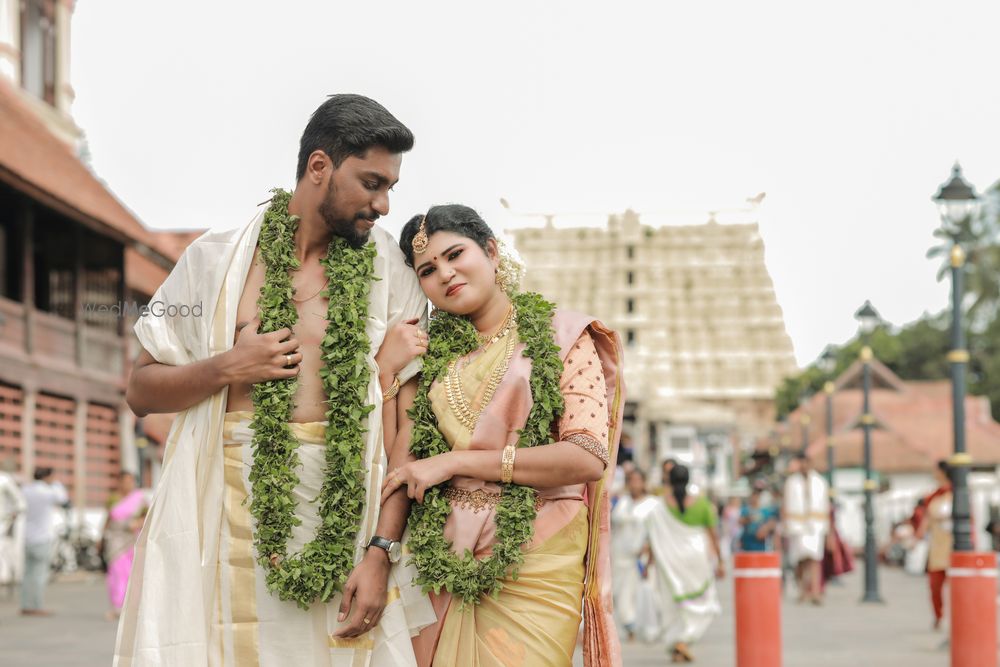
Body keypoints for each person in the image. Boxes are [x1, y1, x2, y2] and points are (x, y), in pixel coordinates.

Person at [115, 95, 435, 666]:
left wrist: (381, 552)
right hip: (229, 516)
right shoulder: (213, 263)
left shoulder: (389, 270)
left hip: (349, 517)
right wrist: (227, 367)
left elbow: (407, 430)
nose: (384, 204)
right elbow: (141, 391)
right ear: (319, 167)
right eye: (370, 183)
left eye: (390, 187)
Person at [384, 205, 625, 666]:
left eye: (455, 254)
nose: (446, 274)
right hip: (440, 554)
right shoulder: (429, 358)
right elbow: (397, 462)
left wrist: (454, 462)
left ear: (492, 251)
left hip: (537, 557)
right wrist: (387, 372)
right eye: (428, 270)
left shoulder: (562, 336)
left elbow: (587, 456)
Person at [643, 463, 722, 663]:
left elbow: (654, 539)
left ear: (668, 481)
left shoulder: (658, 507)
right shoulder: (702, 504)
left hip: (669, 561)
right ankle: (684, 641)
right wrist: (720, 561)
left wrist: (649, 563)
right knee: (704, 601)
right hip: (696, 559)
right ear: (688, 480)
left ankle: (678, 642)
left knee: (673, 602)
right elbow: (713, 535)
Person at [611, 468, 659, 642]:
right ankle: (629, 624)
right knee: (620, 593)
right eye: (631, 480)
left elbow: (657, 531)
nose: (634, 484)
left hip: (643, 557)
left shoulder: (653, 504)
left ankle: (648, 627)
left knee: (646, 592)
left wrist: (649, 548)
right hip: (620, 556)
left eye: (638, 480)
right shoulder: (622, 502)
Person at [20, 467, 68, 616]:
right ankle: (37, 606)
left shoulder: (26, 490)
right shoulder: (48, 492)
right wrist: (57, 484)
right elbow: (63, 499)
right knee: (40, 574)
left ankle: (26, 605)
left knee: (28, 574)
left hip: (27, 537)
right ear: (47, 477)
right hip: (42, 538)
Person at [783, 453, 829, 605]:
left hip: (815, 525)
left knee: (815, 559)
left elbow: (825, 505)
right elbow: (785, 505)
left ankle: (815, 592)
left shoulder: (820, 482)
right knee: (800, 559)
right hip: (797, 526)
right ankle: (802, 590)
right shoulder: (791, 482)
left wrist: (828, 529)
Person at [101, 472, 148, 620]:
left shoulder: (140, 498)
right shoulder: (113, 498)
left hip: (132, 538)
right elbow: (107, 518)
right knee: (116, 572)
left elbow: (147, 516)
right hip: (115, 538)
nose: (127, 484)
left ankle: (132, 607)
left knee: (130, 573)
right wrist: (100, 537)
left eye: (130, 481)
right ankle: (117, 607)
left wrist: (136, 523)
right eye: (124, 481)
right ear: (119, 482)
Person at [916, 460, 953, 630]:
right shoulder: (933, 496)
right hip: (937, 546)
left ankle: (956, 615)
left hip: (953, 544)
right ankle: (938, 615)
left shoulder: (956, 493)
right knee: (935, 586)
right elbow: (926, 519)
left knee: (956, 586)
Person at [0, 457, 26, 593]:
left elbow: (21, 502)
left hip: (3, 524)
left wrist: (12, 517)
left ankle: (10, 576)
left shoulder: (4, 480)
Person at [739, 482, 778, 552]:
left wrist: (766, 528)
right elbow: (740, 521)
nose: (756, 496)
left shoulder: (765, 510)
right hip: (747, 545)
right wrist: (750, 518)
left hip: (760, 546)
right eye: (755, 493)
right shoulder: (745, 509)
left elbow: (773, 523)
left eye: (758, 494)